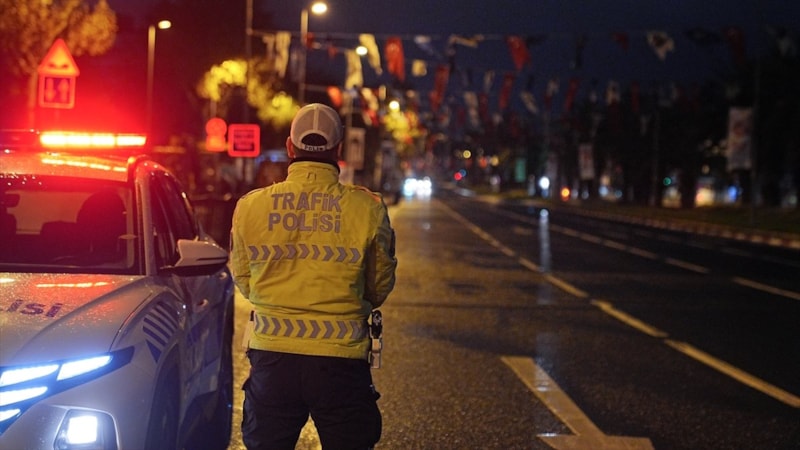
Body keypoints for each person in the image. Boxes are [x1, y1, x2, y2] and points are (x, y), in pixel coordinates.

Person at [230, 103, 397, 450]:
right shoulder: (367, 208)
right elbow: (379, 285)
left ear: (291, 148)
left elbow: (244, 279)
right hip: (341, 364)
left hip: (272, 360)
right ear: (338, 151)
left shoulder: (251, 206)